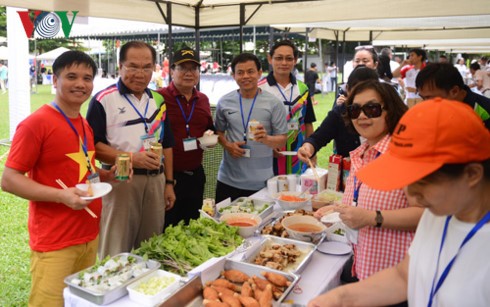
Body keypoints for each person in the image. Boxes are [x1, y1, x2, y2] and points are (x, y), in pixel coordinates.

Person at [308, 98, 490, 307]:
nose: (411, 197)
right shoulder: (439, 214)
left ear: (472, 174)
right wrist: (339, 298)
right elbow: (405, 276)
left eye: (421, 183)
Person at [1, 51, 116, 306]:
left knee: (79, 301)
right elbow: (8, 179)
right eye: (71, 76)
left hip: (88, 235)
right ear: (55, 80)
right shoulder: (36, 123)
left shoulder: (83, 124)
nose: (80, 83)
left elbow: (81, 168)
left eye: (87, 78)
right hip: (56, 240)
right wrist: (61, 196)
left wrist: (105, 175)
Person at [314, 80, 423, 285]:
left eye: (371, 108)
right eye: (354, 110)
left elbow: (426, 214)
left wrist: (373, 217)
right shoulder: (362, 154)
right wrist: (336, 209)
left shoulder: (405, 155)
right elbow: (363, 202)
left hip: (396, 280)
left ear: (390, 111)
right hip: (364, 266)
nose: (362, 116)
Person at [86, 41, 176, 258]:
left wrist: (169, 183)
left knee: (150, 247)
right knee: (116, 248)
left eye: (147, 67)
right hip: (121, 181)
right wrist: (131, 158)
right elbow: (92, 147)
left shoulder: (158, 99)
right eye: (133, 66)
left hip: (156, 181)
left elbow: (167, 144)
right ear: (120, 66)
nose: (140, 73)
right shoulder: (103, 100)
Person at [214, 53, 288, 202]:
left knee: (259, 224)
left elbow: (282, 140)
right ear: (233, 75)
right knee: (223, 221)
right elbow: (218, 132)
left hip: (261, 183)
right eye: (240, 72)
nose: (245, 76)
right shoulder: (224, 102)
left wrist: (266, 139)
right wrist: (228, 145)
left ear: (260, 73)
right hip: (228, 180)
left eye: (250, 71)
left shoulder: (274, 103)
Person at [158, 47, 215, 226]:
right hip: (169, 177)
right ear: (172, 71)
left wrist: (209, 137)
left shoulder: (203, 99)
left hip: (195, 175)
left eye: (193, 68)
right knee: (166, 226)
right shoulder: (159, 98)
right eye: (183, 68)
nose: (189, 73)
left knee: (192, 225)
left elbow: (209, 128)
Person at [258, 40, 316, 175]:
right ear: (270, 59)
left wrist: (312, 152)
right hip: (269, 156)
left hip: (298, 153)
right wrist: (266, 146)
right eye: (279, 58)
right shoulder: (259, 88)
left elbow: (308, 123)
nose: (284, 63)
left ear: (295, 60)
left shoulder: (303, 89)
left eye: (289, 58)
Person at [298, 65, 378, 162]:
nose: (362, 116)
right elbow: (318, 138)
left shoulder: (386, 112)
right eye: (357, 91)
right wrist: (308, 147)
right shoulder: (340, 113)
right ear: (347, 89)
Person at [415, 62, 490, 129]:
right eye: (422, 97)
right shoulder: (427, 113)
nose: (424, 103)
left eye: (429, 97)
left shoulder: (484, 110)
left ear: (454, 91)